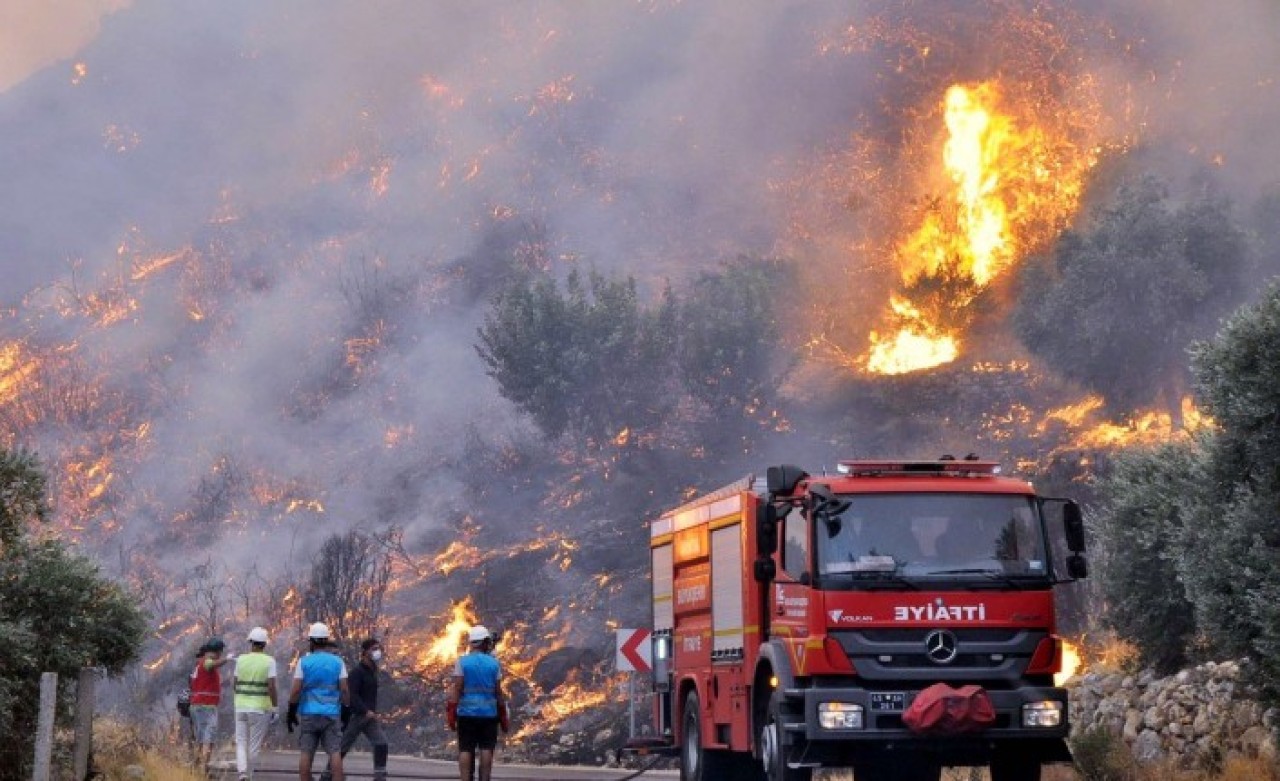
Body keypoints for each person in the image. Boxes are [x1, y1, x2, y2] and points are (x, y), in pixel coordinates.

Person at [287, 622, 350, 781]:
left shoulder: (304, 662)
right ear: (326, 641)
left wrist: (291, 711)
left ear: (311, 641)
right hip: (331, 714)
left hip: (309, 714)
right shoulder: (338, 662)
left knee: (306, 752)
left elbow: (295, 690)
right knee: (334, 752)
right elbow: (344, 689)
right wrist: (346, 709)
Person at [320, 638, 389, 781]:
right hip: (356, 716)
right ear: (365, 652)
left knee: (381, 743)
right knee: (343, 747)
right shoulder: (357, 672)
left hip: (369, 718)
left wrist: (371, 712)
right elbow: (352, 695)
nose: (377, 652)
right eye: (374, 649)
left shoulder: (372, 671)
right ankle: (327, 775)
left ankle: (380, 776)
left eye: (378, 648)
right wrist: (364, 710)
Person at [447, 625, 509, 781]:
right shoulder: (494, 663)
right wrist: (502, 712)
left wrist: (452, 711)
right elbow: (498, 691)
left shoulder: (462, 662)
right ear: (485, 642)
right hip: (488, 714)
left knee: (465, 749)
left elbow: (458, 687)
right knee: (486, 749)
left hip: (466, 713)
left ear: (472, 643)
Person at [232, 626, 279, 781]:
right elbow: (271, 687)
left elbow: (235, 683)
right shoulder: (269, 661)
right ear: (264, 644)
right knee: (254, 745)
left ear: (250, 642)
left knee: (240, 742)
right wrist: (275, 707)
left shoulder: (241, 659)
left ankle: (242, 773)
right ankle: (249, 775)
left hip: (240, 707)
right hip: (259, 708)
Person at [189, 637, 234, 772]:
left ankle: (197, 766)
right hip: (206, 706)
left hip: (198, 706)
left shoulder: (199, 664)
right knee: (208, 738)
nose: (221, 654)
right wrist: (227, 659)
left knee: (201, 738)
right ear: (217, 651)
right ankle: (204, 767)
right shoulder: (206, 662)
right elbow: (211, 665)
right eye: (221, 652)